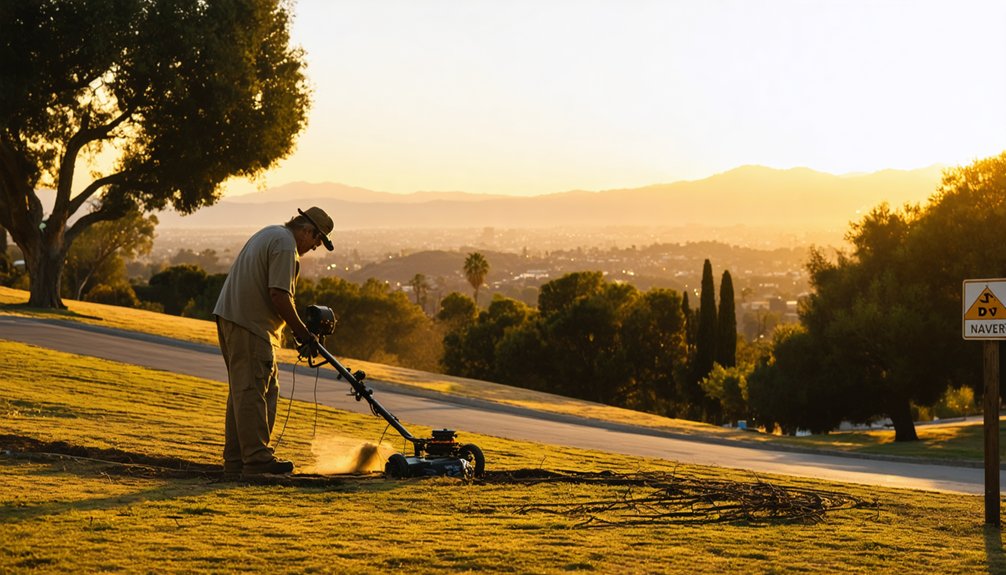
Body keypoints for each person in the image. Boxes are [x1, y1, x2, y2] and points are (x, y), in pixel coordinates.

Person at [213, 206, 334, 475]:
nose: (315, 247)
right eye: (317, 240)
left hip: (237, 319)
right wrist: (303, 332)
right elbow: (279, 295)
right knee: (253, 391)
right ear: (307, 230)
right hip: (250, 325)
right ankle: (256, 459)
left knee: (247, 391)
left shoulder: (271, 233)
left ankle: (236, 461)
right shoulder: (285, 245)